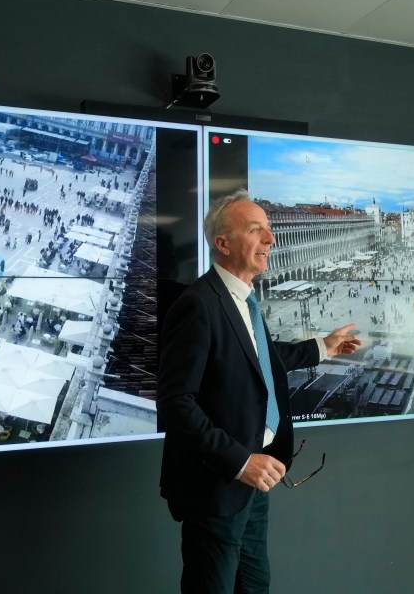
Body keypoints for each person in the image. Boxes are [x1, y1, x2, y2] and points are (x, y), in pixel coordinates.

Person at [157, 191, 360, 593]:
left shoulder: (244, 300)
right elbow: (176, 403)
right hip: (217, 484)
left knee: (254, 585)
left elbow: (263, 358)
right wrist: (239, 462)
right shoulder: (198, 304)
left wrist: (323, 346)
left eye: (269, 230)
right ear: (224, 243)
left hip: (254, 478)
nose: (271, 239)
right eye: (257, 231)